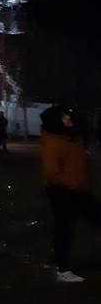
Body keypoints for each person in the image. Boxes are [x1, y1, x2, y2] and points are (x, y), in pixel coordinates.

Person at [39, 104, 101, 282]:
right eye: (64, 118)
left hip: (80, 190)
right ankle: (64, 270)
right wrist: (72, 185)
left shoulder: (72, 137)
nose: (68, 120)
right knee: (65, 229)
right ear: (54, 121)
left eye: (68, 117)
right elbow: (51, 173)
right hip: (62, 192)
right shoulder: (52, 141)